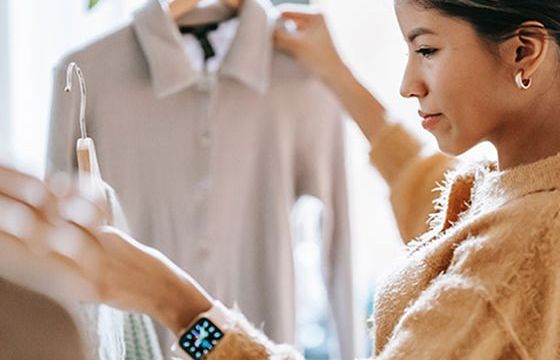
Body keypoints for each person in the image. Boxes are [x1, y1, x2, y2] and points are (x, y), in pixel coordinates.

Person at [3, 0, 560, 358]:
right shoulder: (510, 185)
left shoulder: (518, 248)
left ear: (523, 52)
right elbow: (431, 190)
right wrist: (338, 77)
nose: (408, 82)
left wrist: (176, 305)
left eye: (427, 49)